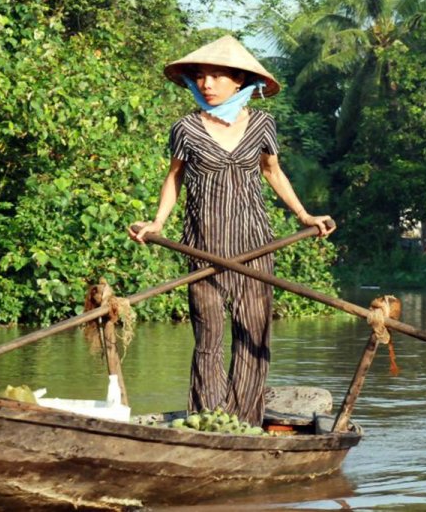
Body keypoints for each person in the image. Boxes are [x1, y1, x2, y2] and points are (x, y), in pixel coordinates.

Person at [128, 35, 334, 426]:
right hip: (202, 247)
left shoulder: (262, 124)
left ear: (238, 81)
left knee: (252, 337)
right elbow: (174, 178)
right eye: (201, 76)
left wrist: (306, 216)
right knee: (208, 339)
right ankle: (208, 417)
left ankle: (244, 421)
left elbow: (273, 172)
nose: (207, 83)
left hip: (253, 246)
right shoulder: (186, 128)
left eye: (216, 76)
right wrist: (157, 222)